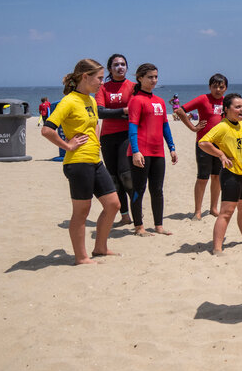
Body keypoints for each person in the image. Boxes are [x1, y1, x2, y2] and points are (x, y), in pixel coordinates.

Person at [40, 59, 122, 265]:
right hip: (77, 162)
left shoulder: (91, 101)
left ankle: (100, 248)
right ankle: (81, 257)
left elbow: (94, 124)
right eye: (100, 78)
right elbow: (47, 130)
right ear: (85, 77)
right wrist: (68, 145)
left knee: (113, 204)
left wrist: (97, 142)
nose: (102, 83)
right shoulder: (68, 101)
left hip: (95, 160)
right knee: (82, 212)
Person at [198, 93, 242, 255]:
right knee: (227, 212)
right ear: (226, 109)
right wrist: (221, 155)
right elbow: (203, 143)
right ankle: (217, 248)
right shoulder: (222, 126)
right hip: (231, 175)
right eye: (237, 107)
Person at [128, 63, 178, 236]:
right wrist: (135, 151)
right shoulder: (136, 100)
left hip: (158, 152)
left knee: (157, 189)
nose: (154, 80)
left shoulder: (160, 102)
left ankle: (159, 225)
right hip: (140, 152)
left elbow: (165, 126)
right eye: (150, 77)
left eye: (156, 77)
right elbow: (132, 127)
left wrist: (171, 147)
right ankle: (139, 227)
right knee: (139, 189)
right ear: (140, 78)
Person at [178, 74, 228, 219]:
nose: (218, 89)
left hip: (221, 146)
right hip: (203, 143)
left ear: (226, 88)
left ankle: (213, 208)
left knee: (217, 177)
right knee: (202, 177)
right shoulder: (203, 99)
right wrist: (193, 127)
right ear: (209, 87)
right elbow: (180, 110)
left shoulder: (227, 102)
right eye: (215, 86)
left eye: (221, 86)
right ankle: (198, 211)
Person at [95, 53, 136, 226]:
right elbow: (100, 112)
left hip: (127, 135)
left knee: (126, 175)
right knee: (113, 179)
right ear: (110, 68)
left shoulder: (134, 87)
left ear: (127, 67)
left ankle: (138, 216)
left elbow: (135, 111)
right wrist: (123, 112)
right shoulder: (103, 88)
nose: (120, 67)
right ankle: (124, 216)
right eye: (116, 65)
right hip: (107, 136)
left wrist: (120, 112)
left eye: (123, 64)